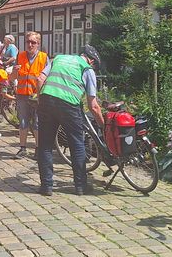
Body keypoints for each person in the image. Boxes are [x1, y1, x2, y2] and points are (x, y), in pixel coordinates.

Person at [36, 45, 103, 196]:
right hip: (69, 106)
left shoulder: (58, 59)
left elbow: (40, 79)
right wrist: (102, 125)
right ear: (91, 61)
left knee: (45, 145)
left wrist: (41, 101)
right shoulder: (87, 69)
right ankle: (80, 186)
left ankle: (46, 186)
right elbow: (93, 105)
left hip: (47, 99)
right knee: (77, 144)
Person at [11, 32, 48, 158]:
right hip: (22, 96)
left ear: (38, 44)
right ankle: (22, 148)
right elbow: (12, 78)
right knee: (22, 122)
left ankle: (39, 149)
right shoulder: (20, 56)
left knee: (38, 123)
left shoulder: (44, 57)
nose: (30, 44)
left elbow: (48, 78)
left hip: (37, 96)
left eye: (33, 42)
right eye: (28, 42)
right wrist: (14, 72)